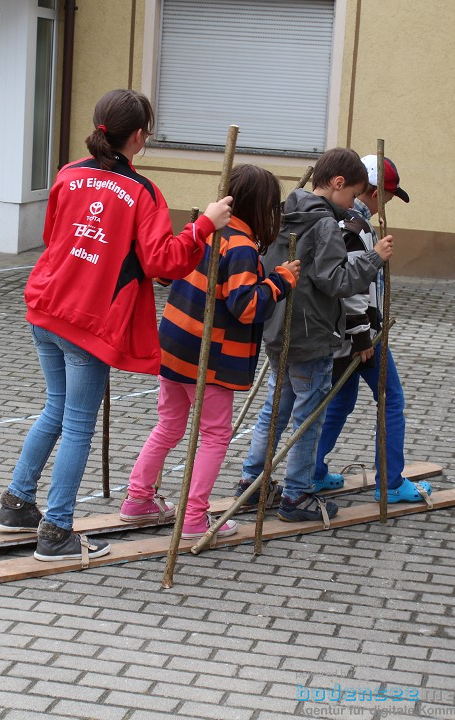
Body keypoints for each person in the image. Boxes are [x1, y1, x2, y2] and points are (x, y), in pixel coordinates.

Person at [0, 89, 232, 562]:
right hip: (89, 320)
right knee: (78, 426)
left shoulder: (68, 173)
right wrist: (203, 226)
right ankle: (57, 530)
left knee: (55, 411)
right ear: (139, 136)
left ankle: (16, 504)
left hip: (47, 306)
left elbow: (53, 236)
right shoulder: (142, 192)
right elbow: (163, 261)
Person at [119, 165, 300, 539]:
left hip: (172, 345)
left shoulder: (203, 230)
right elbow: (245, 306)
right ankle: (193, 518)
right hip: (210, 355)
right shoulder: (242, 247)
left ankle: (137, 498)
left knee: (169, 426)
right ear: (261, 209)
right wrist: (279, 281)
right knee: (215, 435)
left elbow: (168, 273)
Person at [236, 148, 392, 523]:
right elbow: (336, 281)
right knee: (308, 416)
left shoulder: (287, 211)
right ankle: (296, 495)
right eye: (353, 194)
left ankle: (251, 481)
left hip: (277, 328)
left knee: (276, 406)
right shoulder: (324, 225)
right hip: (311, 336)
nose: (354, 202)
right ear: (338, 184)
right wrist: (374, 260)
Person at [312, 155, 431, 504]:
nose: (387, 206)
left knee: (340, 401)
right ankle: (390, 481)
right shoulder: (354, 227)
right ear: (373, 192)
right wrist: (363, 335)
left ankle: (313, 470)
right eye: (387, 198)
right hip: (359, 334)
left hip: (344, 332)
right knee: (391, 400)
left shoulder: (346, 220)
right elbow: (351, 286)